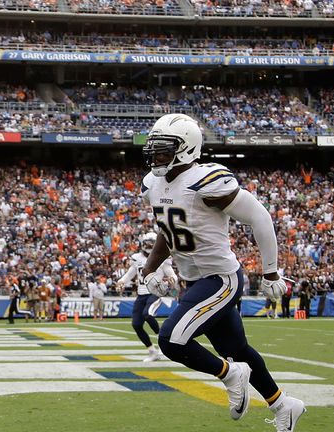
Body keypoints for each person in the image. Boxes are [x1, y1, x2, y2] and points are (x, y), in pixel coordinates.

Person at [139, 114, 305, 431]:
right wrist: (150, 268)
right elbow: (167, 229)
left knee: (171, 340)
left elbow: (260, 217)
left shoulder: (206, 180)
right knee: (236, 349)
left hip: (220, 280)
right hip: (195, 281)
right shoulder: (154, 184)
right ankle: (284, 406)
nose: (155, 156)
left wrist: (271, 273)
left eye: (163, 149)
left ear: (186, 149)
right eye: (154, 149)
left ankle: (230, 374)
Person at [117, 232, 177, 362]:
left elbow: (171, 273)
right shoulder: (137, 258)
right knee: (136, 324)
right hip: (141, 294)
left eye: (152, 243)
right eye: (148, 243)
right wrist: (121, 281)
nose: (150, 246)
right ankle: (152, 351)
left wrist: (173, 279)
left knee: (147, 314)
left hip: (155, 293)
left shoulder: (162, 258)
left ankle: (164, 342)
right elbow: (129, 274)